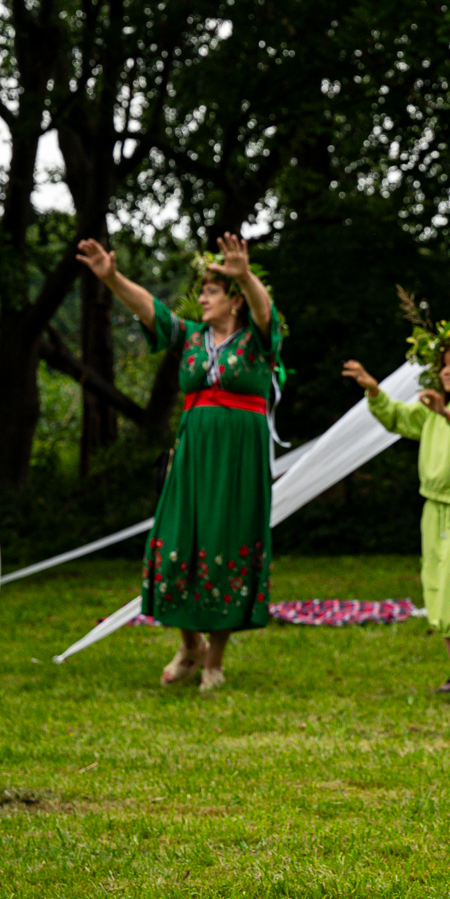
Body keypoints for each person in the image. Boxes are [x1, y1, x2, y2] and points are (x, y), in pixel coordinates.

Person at [77, 232, 280, 691]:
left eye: (211, 292)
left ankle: (215, 661)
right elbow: (152, 309)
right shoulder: (191, 337)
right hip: (192, 453)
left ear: (234, 301)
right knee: (172, 542)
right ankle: (190, 644)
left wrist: (244, 274)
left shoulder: (257, 341)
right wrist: (112, 278)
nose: (202, 299)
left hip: (237, 459)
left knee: (225, 542)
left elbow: (264, 310)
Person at [344, 309, 450, 693]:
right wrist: (374, 390)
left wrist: (449, 414)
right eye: (444, 365)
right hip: (433, 508)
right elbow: (399, 418)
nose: (447, 372)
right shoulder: (432, 413)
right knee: (436, 584)